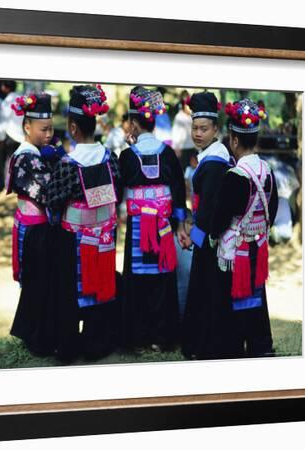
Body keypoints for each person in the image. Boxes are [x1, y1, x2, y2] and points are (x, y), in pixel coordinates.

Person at [47, 85, 122, 362]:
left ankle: (67, 346)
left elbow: (52, 199)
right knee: (101, 287)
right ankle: (97, 342)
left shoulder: (68, 164)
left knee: (71, 290)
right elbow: (119, 191)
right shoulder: (110, 159)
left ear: (73, 128)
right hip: (104, 236)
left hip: (74, 240)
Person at [119, 86, 189, 351]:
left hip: (138, 225)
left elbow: (119, 190)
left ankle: (137, 336)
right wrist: (180, 222)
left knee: (137, 278)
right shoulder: (168, 153)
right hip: (162, 224)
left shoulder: (127, 156)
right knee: (162, 276)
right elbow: (179, 192)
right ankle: (162, 337)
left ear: (134, 123)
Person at [209, 98, 278, 357]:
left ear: (234, 141)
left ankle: (232, 348)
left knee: (231, 298)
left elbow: (221, 215)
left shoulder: (234, 176)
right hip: (257, 246)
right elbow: (273, 207)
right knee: (256, 295)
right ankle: (260, 345)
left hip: (233, 250)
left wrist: (214, 236)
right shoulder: (268, 171)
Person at [180, 91, 232, 359]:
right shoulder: (211, 155)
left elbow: (209, 210)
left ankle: (205, 346)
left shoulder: (214, 162)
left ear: (216, 129)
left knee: (207, 290)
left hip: (211, 238)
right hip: (208, 233)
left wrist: (194, 237)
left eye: (204, 128)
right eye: (194, 127)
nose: (197, 133)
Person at [7, 92, 56, 356]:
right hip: (36, 227)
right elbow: (49, 192)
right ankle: (36, 338)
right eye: (43, 129)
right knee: (37, 283)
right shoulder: (29, 158)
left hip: (35, 224)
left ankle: (35, 334)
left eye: (50, 128)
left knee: (38, 282)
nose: (48, 134)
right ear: (27, 126)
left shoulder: (34, 154)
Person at [0, 80, 25, 190]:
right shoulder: (21, 100)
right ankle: (17, 185)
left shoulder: (6, 102)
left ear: (5, 87)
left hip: (10, 136)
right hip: (22, 135)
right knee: (19, 162)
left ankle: (8, 185)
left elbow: (3, 121)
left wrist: (0, 138)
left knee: (9, 162)